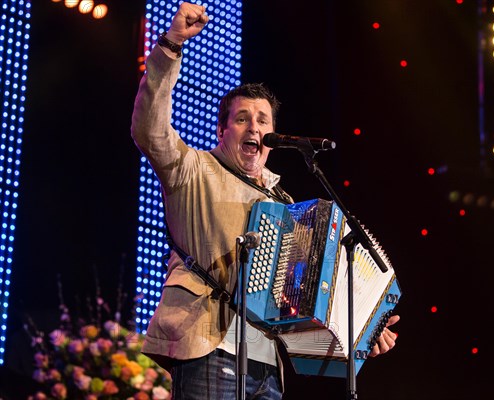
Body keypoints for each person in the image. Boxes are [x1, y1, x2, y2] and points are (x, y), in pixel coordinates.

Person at [130, 2, 400, 399]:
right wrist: (171, 45)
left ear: (274, 135)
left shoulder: (286, 203)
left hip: (269, 364)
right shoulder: (193, 169)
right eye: (241, 119)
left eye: (262, 120)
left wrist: (364, 331)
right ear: (222, 129)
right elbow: (148, 127)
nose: (253, 127)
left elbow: (311, 294)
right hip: (207, 347)